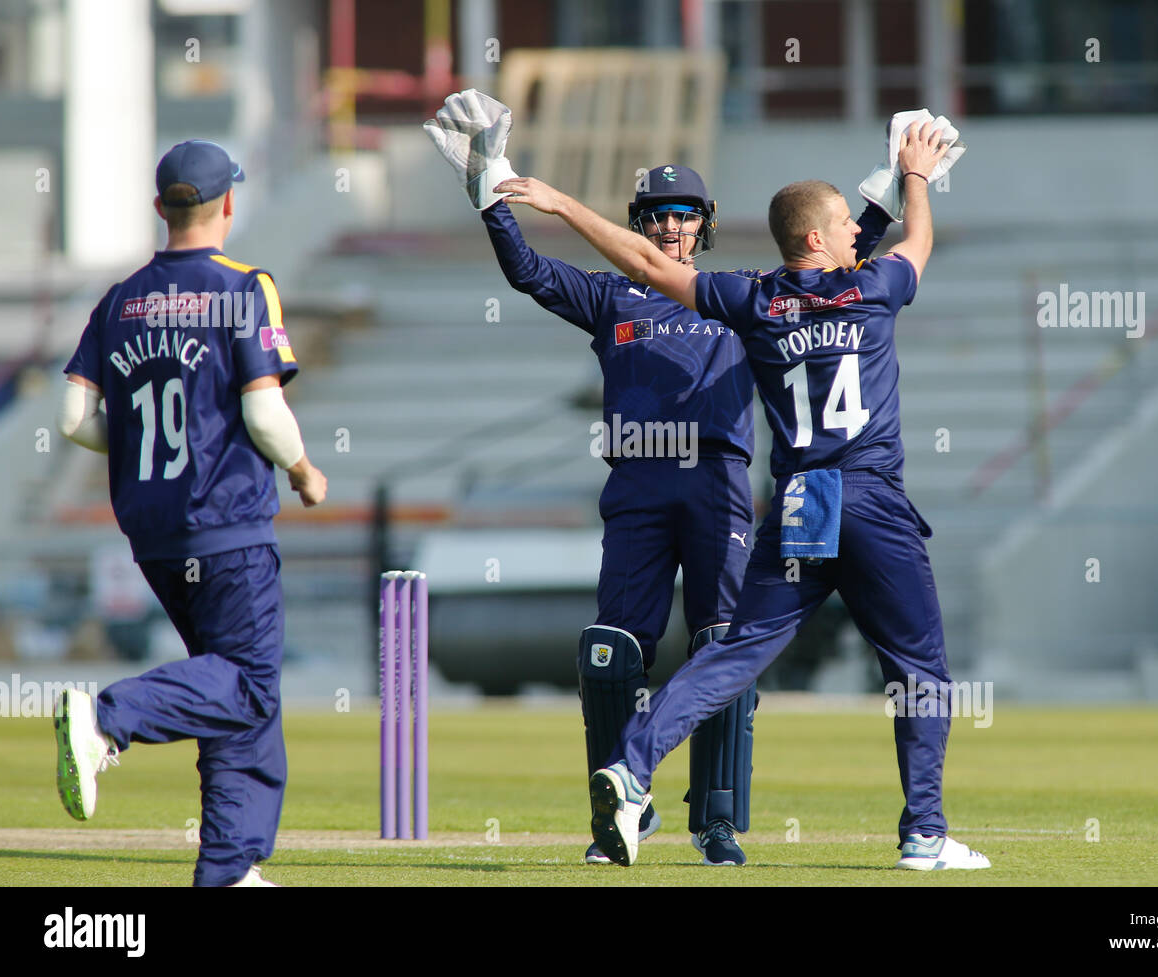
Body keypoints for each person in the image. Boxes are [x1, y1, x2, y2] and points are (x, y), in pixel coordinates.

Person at [497, 121, 991, 870]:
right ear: (824, 240)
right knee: (918, 668)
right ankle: (924, 832)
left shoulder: (753, 300)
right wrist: (915, 175)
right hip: (868, 493)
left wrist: (563, 204)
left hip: (800, 499)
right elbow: (915, 243)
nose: (858, 239)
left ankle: (631, 767)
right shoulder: (876, 286)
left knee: (736, 651)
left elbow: (639, 262)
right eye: (846, 231)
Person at [425, 90, 893, 866]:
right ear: (641, 224)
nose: (671, 227)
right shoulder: (611, 296)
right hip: (638, 483)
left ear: (702, 224)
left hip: (716, 481)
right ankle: (622, 816)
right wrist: (489, 199)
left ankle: (715, 820)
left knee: (720, 645)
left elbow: (838, 268)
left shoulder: (743, 294)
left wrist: (882, 190)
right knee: (610, 650)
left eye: (683, 215)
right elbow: (529, 275)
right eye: (657, 215)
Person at [54, 139, 328, 887]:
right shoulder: (245, 287)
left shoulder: (120, 298)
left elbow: (74, 416)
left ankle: (230, 868)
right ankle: (108, 718)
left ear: (159, 207)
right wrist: (303, 469)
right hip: (228, 522)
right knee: (247, 681)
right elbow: (265, 413)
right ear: (228, 203)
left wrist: (136, 442)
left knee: (230, 688)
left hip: (153, 529)